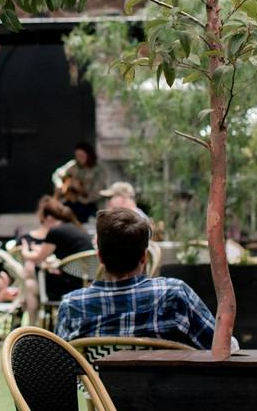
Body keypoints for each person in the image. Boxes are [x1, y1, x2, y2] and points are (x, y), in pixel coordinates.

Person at [54, 206, 219, 350]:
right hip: (161, 385)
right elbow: (219, 346)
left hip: (95, 386)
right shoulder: (173, 295)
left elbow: (58, 369)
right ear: (144, 257)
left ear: (100, 258)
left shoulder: (71, 306)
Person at [52, 141, 100, 223]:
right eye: (77, 156)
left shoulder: (97, 169)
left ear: (89, 155)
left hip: (89, 203)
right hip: (72, 201)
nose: (79, 159)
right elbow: (57, 175)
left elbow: (97, 192)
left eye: (82, 156)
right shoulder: (73, 165)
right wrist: (60, 186)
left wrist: (81, 190)